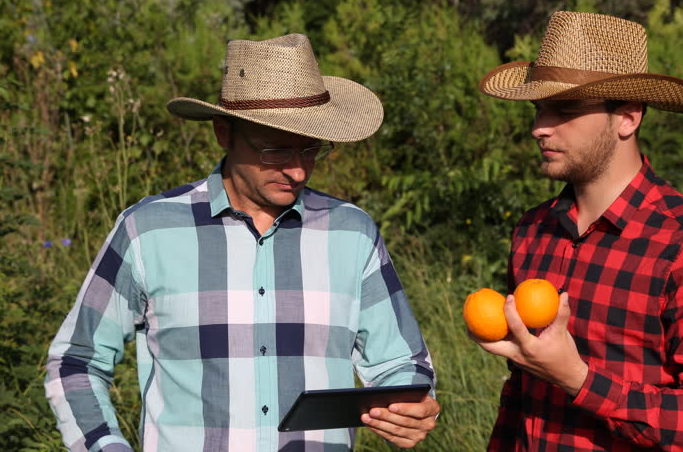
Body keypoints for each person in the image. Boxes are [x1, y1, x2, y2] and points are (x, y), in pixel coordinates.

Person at [45, 33, 440, 452]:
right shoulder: (147, 231)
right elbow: (76, 362)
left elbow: (402, 363)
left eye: (311, 149)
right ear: (224, 132)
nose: (298, 171)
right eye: (276, 151)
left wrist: (411, 406)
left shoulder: (352, 233)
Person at [471, 11, 683, 451]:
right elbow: (521, 393)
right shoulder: (533, 231)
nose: (539, 127)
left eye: (564, 109)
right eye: (539, 108)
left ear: (628, 118)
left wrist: (577, 378)